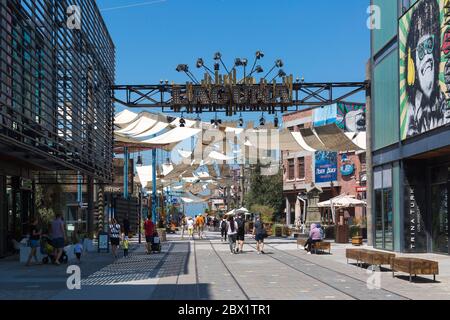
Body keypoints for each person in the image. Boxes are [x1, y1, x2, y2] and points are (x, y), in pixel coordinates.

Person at [403, 0, 449, 138]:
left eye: (429, 45)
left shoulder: (443, 101)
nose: (427, 55)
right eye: (421, 51)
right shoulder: (412, 110)